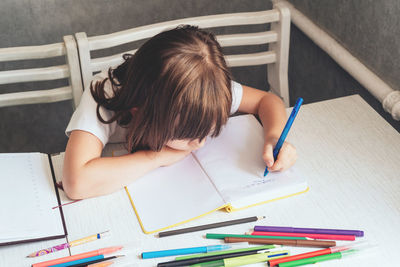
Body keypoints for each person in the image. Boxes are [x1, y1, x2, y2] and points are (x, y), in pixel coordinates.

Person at [63, 25, 297, 200]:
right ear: (139, 112)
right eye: (189, 135)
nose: (201, 143)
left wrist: (273, 137)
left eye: (209, 132)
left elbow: (268, 100)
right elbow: (76, 182)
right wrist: (158, 157)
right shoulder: (104, 96)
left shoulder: (206, 90)